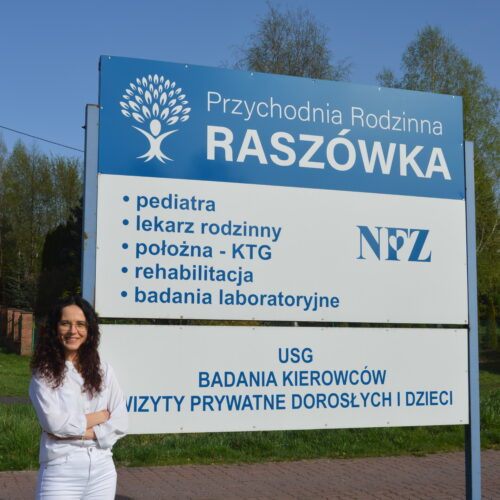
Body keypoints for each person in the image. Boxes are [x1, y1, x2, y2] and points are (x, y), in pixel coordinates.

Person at [29, 295, 128, 499]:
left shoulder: (104, 371)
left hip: (103, 470)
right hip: (61, 471)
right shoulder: (44, 375)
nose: (73, 331)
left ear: (89, 330)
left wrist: (75, 433)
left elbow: (121, 422)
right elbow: (54, 424)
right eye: (65, 323)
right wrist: (101, 417)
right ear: (55, 328)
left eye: (80, 324)